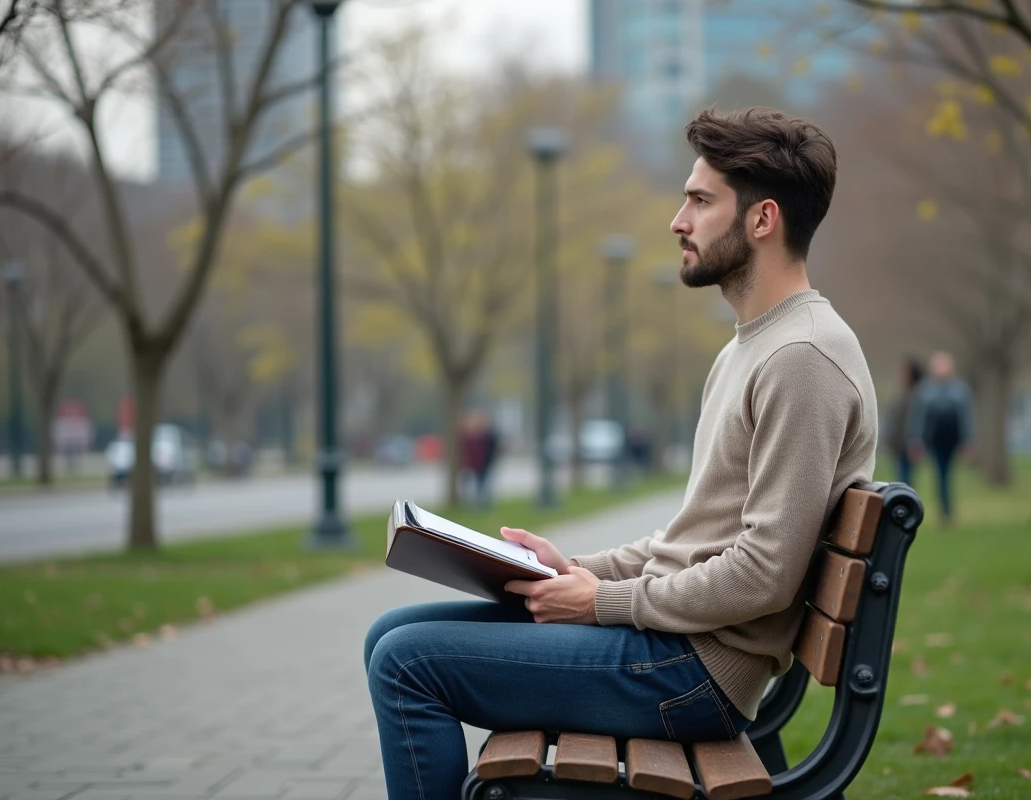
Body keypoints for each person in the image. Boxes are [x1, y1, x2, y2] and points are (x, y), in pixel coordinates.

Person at [363, 107, 879, 800]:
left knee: (405, 663)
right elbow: (694, 538)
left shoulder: (801, 358)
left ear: (762, 220)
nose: (678, 220)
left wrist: (600, 601)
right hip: (673, 648)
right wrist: (573, 570)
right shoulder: (752, 346)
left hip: (693, 674)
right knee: (388, 634)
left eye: (699, 201)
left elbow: (764, 575)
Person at [906, 351, 974, 526]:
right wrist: (916, 441)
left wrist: (968, 441)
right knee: (941, 474)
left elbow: (966, 417)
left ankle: (947, 510)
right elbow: (918, 418)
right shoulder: (925, 390)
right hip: (935, 440)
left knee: (946, 474)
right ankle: (945, 511)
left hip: (952, 439)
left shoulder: (960, 389)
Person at [885, 357, 925, 487]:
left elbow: (916, 420)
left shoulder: (918, 394)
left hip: (910, 443)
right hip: (898, 443)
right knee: (901, 476)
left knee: (905, 477)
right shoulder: (902, 392)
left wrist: (916, 441)